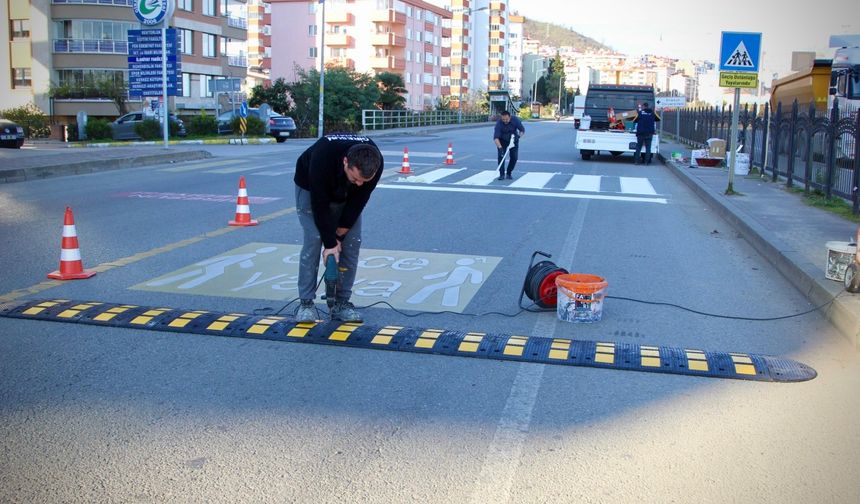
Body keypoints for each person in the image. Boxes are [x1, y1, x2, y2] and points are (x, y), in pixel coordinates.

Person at [293, 134, 384, 323]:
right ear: (345, 162)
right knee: (314, 239)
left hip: (345, 195)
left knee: (352, 242)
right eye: (355, 178)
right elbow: (320, 203)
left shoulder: (376, 163)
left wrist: (339, 238)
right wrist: (330, 243)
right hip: (311, 188)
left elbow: (358, 202)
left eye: (363, 181)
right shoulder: (323, 156)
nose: (359, 184)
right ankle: (306, 304)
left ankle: (341, 303)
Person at [493, 110, 526, 180]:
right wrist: (500, 148)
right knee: (501, 157)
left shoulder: (515, 120)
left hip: (513, 141)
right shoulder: (499, 124)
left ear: (510, 117)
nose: (505, 121)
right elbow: (496, 138)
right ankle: (501, 174)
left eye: (506, 119)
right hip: (502, 141)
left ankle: (509, 173)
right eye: (503, 119)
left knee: (514, 157)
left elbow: (522, 130)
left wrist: (519, 137)